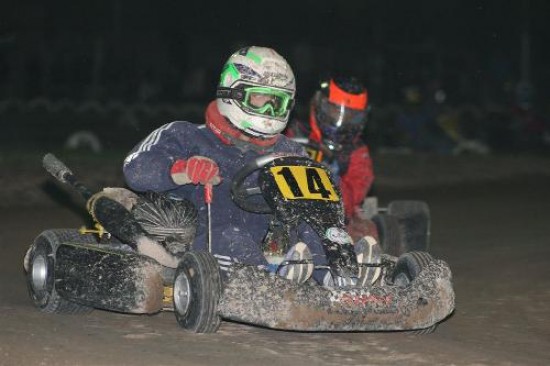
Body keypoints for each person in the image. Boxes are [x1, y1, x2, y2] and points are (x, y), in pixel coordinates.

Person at [90, 46, 380, 287]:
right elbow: (135, 168)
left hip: (277, 240)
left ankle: (337, 275)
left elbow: (327, 196)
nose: (268, 112)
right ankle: (268, 281)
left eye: (276, 104)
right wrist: (183, 168)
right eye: (261, 99)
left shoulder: (290, 150)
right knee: (233, 234)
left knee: (311, 228)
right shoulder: (188, 135)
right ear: (234, 92)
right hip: (210, 235)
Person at [285, 77, 375, 241]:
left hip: (332, 216)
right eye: (334, 110)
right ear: (320, 105)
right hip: (286, 204)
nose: (341, 120)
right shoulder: (294, 132)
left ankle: (356, 261)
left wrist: (327, 177)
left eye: (351, 116)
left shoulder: (356, 151)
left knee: (366, 231)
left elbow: (354, 195)